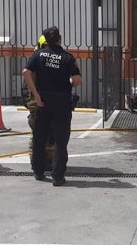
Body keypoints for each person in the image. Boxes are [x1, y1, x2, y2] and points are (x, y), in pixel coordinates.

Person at [23, 26, 82, 186]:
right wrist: (68, 81)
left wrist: (35, 94)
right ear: (59, 39)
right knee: (61, 141)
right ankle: (57, 176)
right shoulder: (67, 57)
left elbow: (26, 73)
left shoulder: (38, 55)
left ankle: (38, 171)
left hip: (43, 101)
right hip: (62, 102)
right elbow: (77, 80)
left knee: (39, 137)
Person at [22, 35, 55, 168]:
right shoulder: (35, 63)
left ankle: (49, 160)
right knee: (38, 135)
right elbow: (27, 88)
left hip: (49, 105)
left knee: (51, 134)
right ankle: (36, 161)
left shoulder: (51, 61)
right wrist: (33, 106)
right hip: (37, 106)